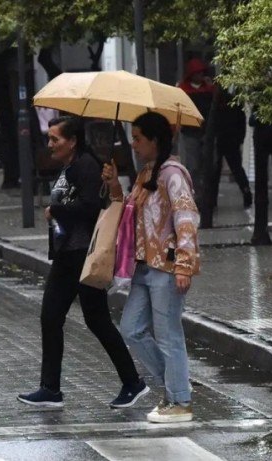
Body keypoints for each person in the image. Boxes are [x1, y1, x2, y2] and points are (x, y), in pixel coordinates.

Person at [17, 116, 149, 409]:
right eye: (49, 138)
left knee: (82, 319)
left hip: (81, 254)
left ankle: (130, 382)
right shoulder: (72, 165)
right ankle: (54, 388)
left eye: (55, 139)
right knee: (64, 317)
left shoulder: (86, 165)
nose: (50, 144)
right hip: (69, 253)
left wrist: (57, 210)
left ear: (73, 140)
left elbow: (90, 208)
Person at [103, 112, 200, 423]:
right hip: (144, 267)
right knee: (131, 328)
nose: (134, 145)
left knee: (169, 334)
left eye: (138, 139)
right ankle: (177, 387)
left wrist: (184, 265)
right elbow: (130, 215)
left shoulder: (173, 174)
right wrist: (114, 186)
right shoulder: (147, 172)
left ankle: (180, 400)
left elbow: (186, 218)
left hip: (167, 266)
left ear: (154, 140)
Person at [177, 58, 215, 192]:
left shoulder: (208, 89)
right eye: (197, 73)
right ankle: (195, 193)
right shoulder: (183, 89)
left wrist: (211, 89)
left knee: (208, 165)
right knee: (193, 165)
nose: (200, 76)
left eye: (201, 73)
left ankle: (206, 194)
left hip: (206, 131)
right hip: (190, 131)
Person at [213, 87, 253, 208]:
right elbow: (241, 122)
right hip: (231, 140)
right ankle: (246, 192)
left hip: (220, 139)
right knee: (236, 168)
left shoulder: (216, 104)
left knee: (216, 171)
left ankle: (212, 199)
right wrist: (240, 138)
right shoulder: (233, 103)